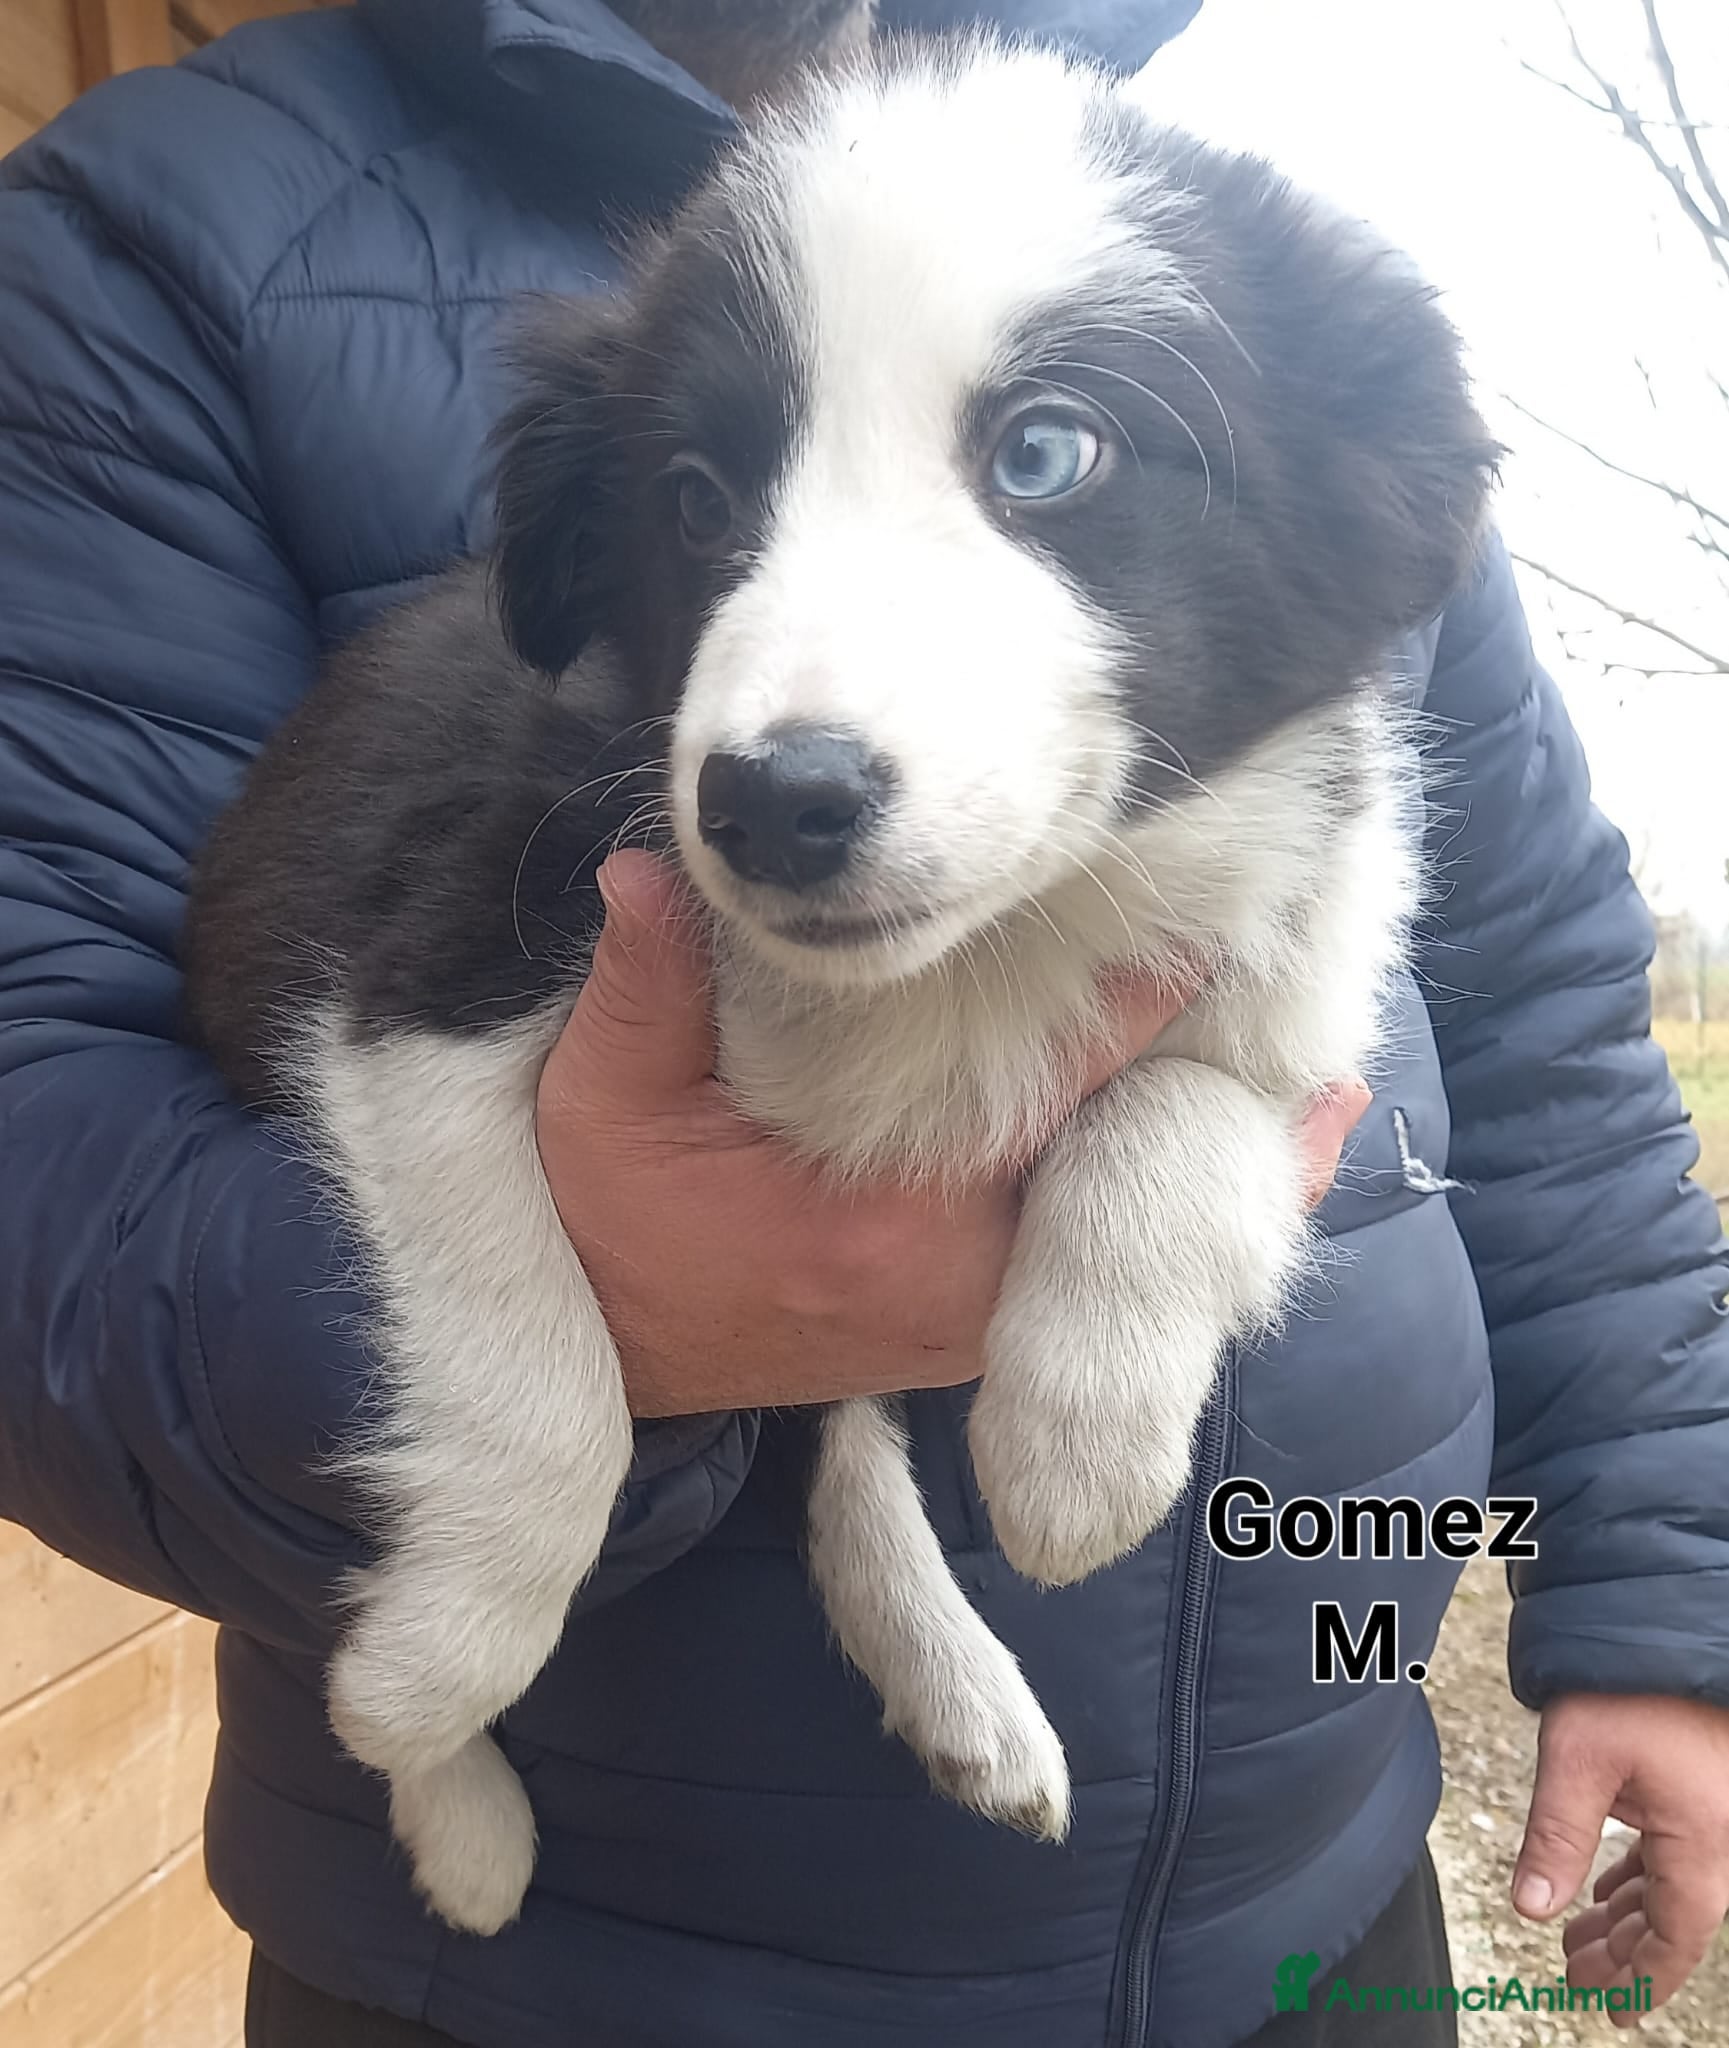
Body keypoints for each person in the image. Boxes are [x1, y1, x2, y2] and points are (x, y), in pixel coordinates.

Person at [1, 3, 1726, 2044]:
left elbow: (1537, 1012)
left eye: (1044, 452)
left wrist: (1660, 1589)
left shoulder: (1223, 266)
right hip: (558, 1981)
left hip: (1313, 1902)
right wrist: (596, 1335)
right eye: (709, 501)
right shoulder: (151, 238)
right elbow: (50, 1088)